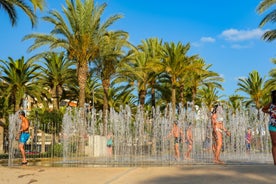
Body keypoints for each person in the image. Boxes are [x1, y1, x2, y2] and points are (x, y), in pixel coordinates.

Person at [262, 90, 276, 165]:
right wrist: (269, 112)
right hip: (272, 125)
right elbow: (263, 109)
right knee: (274, 143)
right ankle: (275, 161)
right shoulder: (271, 104)